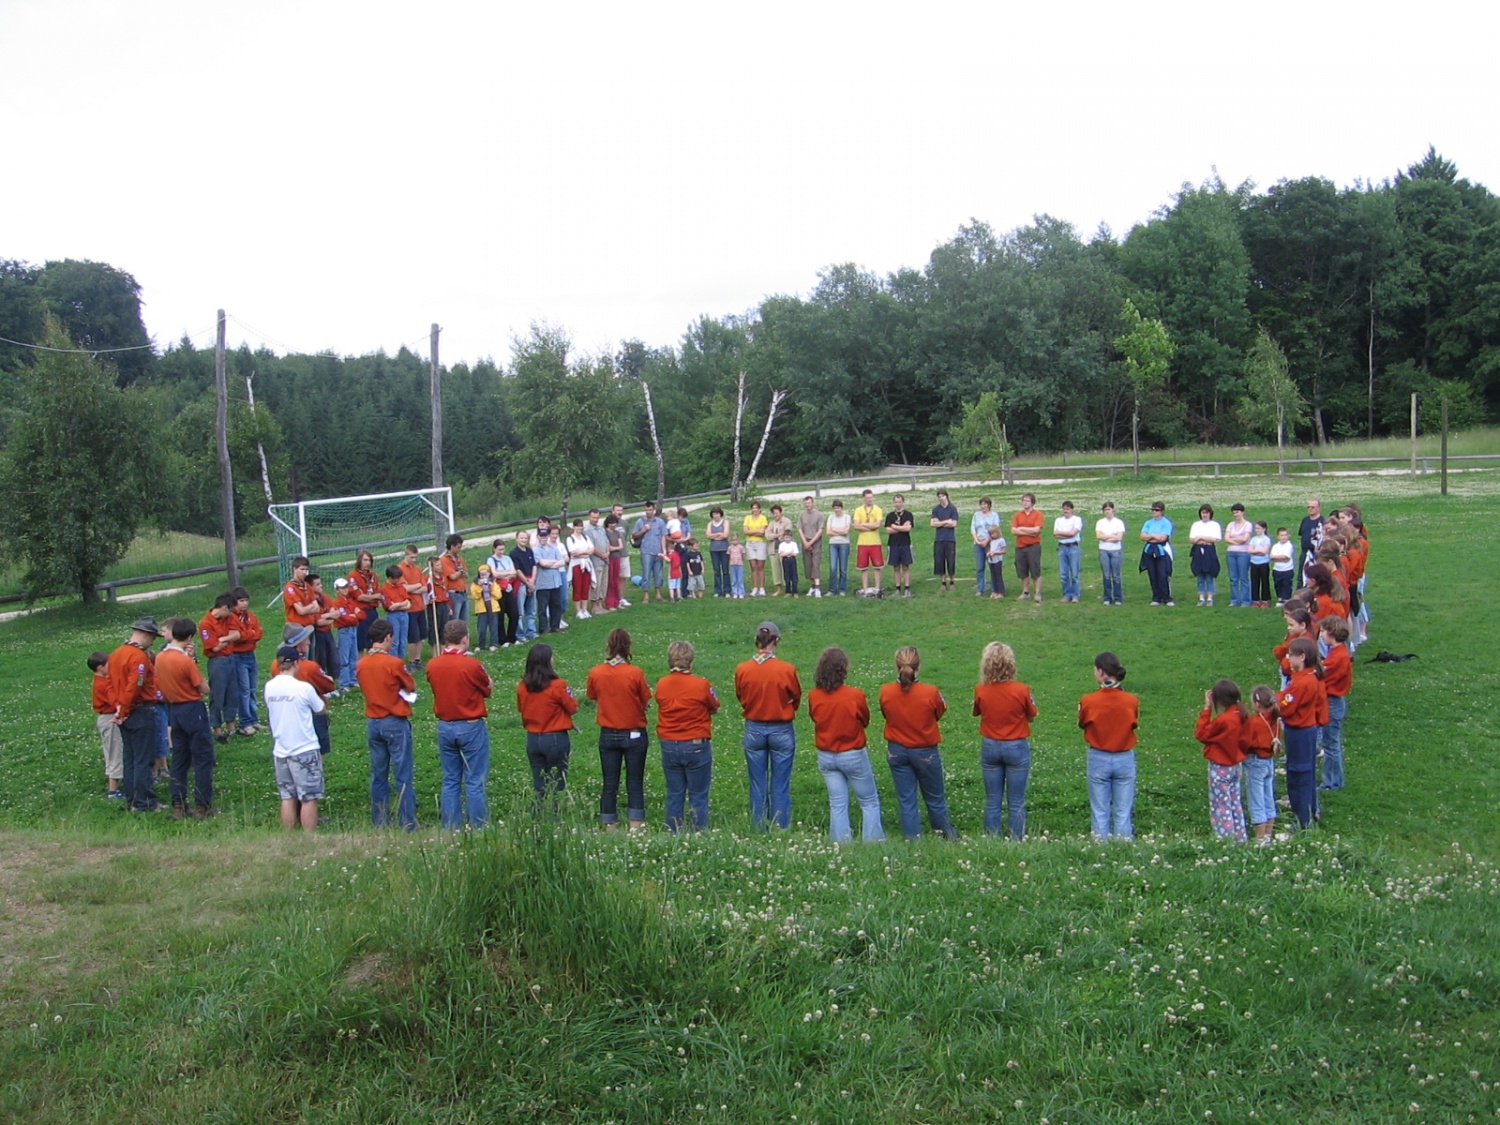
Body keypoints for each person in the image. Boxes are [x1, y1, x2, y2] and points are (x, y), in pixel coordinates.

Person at [808, 646, 883, 843]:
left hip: (826, 754)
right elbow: (864, 720)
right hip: (851, 752)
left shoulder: (814, 695)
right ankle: (873, 842)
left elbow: (815, 717)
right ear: (843, 669)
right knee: (869, 801)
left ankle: (841, 844)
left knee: (837, 803)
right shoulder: (854, 695)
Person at [880, 646, 955, 840]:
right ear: (918, 666)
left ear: (897, 667)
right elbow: (938, 712)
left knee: (907, 800)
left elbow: (886, 714)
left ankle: (913, 840)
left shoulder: (886, 691)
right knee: (935, 799)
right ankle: (946, 837)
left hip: (897, 750)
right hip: (925, 751)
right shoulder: (930, 692)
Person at [734, 621, 802, 829]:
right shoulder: (786, 669)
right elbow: (796, 695)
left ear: (757, 641)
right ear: (776, 641)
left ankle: (758, 826)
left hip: (754, 727)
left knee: (757, 782)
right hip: (781, 728)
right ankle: (780, 827)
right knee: (780, 784)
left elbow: (740, 695)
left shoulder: (743, 669)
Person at [426, 619, 492, 830]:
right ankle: (478, 826)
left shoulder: (433, 664)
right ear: (465, 638)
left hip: (445, 725)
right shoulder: (471, 664)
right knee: (474, 779)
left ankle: (450, 825)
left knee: (451, 778)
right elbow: (486, 688)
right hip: (470, 724)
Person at [586, 628, 653, 830]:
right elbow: (644, 698)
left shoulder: (596, 672)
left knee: (609, 782)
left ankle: (609, 825)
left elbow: (592, 696)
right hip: (633, 732)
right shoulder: (635, 672)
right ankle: (635, 824)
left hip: (608, 732)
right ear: (628, 647)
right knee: (634, 781)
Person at [356, 618, 418, 830]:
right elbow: (410, 685)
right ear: (388, 637)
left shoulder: (361, 663)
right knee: (403, 773)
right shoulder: (394, 663)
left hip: (373, 720)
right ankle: (407, 821)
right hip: (394, 720)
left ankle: (380, 820)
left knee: (378, 774)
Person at [973, 641, 1037, 840]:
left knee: (993, 800)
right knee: (1016, 800)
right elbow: (1032, 715)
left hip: (991, 744)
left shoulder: (981, 690)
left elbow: (979, 711)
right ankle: (1017, 840)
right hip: (1016, 744)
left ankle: (992, 839)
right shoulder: (1022, 690)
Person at [655, 640, 719, 832]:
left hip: (669, 743)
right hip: (695, 743)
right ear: (691, 660)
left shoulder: (662, 684)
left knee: (675, 792)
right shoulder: (701, 684)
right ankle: (698, 831)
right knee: (698, 794)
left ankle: (673, 832)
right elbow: (714, 706)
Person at [157, 617, 215, 819]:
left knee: (180, 759)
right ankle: (203, 805)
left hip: (173, 709)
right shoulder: (184, 661)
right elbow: (203, 688)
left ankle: (178, 804)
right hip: (192, 708)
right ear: (189, 637)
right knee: (202, 758)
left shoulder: (160, 657)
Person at [264, 645, 327, 832]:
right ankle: (309, 837)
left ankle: (289, 835)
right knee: (309, 797)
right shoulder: (303, 688)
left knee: (287, 795)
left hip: (281, 748)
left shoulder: (269, 687)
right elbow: (320, 709)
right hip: (304, 747)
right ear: (297, 663)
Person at [1078, 651, 1138, 840]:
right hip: (1124, 757)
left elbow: (1082, 722)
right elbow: (1133, 723)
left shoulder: (1088, 700)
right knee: (1123, 811)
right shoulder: (1131, 700)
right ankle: (1123, 848)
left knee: (1100, 810)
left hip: (1099, 757)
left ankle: (1100, 849)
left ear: (1101, 672)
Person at [108, 617, 164, 813]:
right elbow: (135, 686)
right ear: (147, 635)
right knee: (143, 759)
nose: (153, 643)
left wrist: (118, 708)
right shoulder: (139, 657)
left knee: (130, 758)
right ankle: (144, 803)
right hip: (139, 710)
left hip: (123, 711)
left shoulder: (116, 654)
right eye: (153, 639)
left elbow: (111, 683)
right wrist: (124, 709)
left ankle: (132, 799)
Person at [516, 643, 578, 811]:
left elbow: (521, 708)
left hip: (533, 738)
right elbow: (573, 707)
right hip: (555, 737)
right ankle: (556, 817)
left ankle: (539, 817)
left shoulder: (523, 686)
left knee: (539, 784)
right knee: (558, 782)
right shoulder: (558, 685)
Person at [1279, 637, 1327, 829]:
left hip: (1299, 732)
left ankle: (1302, 822)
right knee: (1308, 772)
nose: (1288, 658)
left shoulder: (1302, 683)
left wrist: (1276, 699)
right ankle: (1312, 810)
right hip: (1307, 730)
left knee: (1299, 774)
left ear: (1302, 657)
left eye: (1291, 655)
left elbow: (1285, 707)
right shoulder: (1310, 676)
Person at [1194, 679, 1248, 843]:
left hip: (1220, 767)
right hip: (1236, 766)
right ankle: (1240, 838)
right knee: (1234, 803)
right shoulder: (1242, 715)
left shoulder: (1224, 720)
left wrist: (1207, 709)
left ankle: (1225, 840)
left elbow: (1201, 734)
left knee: (1221, 806)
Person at [198, 592, 241, 742]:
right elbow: (214, 647)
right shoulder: (206, 623)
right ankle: (217, 728)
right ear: (223, 607)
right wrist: (227, 639)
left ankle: (231, 726)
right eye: (229, 610)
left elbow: (237, 634)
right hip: (217, 661)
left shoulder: (229, 618)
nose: (231, 614)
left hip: (230, 658)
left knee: (232, 693)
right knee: (217, 695)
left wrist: (223, 639)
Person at [1318, 615, 1353, 792]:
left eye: (1323, 631)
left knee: (1330, 744)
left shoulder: (1336, 658)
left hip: (1332, 702)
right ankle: (1335, 780)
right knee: (1332, 743)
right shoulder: (1339, 652)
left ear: (1331, 633)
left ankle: (1332, 783)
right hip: (1335, 702)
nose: (1321, 635)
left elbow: (1324, 676)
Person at [1243, 685, 1282, 843]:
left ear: (1257, 704)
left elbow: (1247, 743)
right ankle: (1268, 835)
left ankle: (1260, 839)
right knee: (1268, 798)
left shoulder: (1255, 722)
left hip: (1256, 762)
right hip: (1269, 762)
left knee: (1257, 800)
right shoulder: (1276, 719)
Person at [86, 651, 125, 799]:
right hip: (110, 718)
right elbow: (114, 701)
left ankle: (114, 785)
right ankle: (113, 790)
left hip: (107, 718)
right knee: (114, 751)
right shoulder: (102, 684)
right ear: (100, 667)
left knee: (112, 750)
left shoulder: (100, 679)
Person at [229, 587, 265, 736]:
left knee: (252, 688)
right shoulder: (232, 618)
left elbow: (259, 632)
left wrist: (249, 634)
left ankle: (254, 718)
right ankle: (245, 722)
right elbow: (237, 637)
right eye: (241, 601)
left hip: (250, 654)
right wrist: (250, 634)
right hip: (238, 656)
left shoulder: (250, 616)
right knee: (243, 690)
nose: (244, 604)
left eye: (246, 600)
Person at [330, 577, 366, 690]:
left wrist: (354, 616)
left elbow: (362, 615)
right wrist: (354, 615)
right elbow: (344, 619)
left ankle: (352, 679)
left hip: (353, 629)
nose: (345, 590)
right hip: (344, 630)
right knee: (344, 657)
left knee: (353, 656)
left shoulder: (350, 601)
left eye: (346, 587)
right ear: (337, 590)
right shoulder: (337, 603)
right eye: (342, 588)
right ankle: (344, 683)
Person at [397, 545, 429, 667]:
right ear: (406, 555)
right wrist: (416, 586)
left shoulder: (418, 569)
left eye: (416, 557)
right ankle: (411, 661)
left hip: (420, 606)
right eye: (412, 557)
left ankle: (417, 659)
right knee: (413, 636)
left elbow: (425, 587)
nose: (414, 560)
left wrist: (413, 587)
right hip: (410, 608)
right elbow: (404, 588)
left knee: (420, 635)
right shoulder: (400, 569)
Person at [347, 549, 384, 655]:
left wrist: (371, 597)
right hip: (361, 612)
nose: (368, 563)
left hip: (372, 611)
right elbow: (359, 597)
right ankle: (359, 665)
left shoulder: (373, 576)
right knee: (361, 642)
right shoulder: (353, 576)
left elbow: (379, 594)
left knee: (372, 640)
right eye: (365, 560)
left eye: (369, 560)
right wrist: (373, 597)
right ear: (359, 561)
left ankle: (371, 664)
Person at [533, 526, 569, 634]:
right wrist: (554, 562)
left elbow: (562, 561)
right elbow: (542, 564)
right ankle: (543, 628)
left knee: (556, 605)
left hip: (555, 582)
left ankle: (555, 626)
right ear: (538, 537)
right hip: (543, 583)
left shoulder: (554, 548)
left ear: (547, 536)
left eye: (545, 536)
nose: (543, 538)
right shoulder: (535, 550)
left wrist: (550, 563)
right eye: (541, 536)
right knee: (542, 608)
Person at [1139, 502, 1175, 606]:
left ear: (1162, 511)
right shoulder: (1148, 523)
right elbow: (1142, 536)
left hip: (1162, 551)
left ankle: (1167, 597)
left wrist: (1150, 536)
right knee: (1152, 574)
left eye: (1157, 510)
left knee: (1163, 574)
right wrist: (1155, 536)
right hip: (1149, 550)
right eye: (1153, 510)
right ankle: (1156, 597)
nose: (1154, 512)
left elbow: (1163, 538)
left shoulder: (1166, 523)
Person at [1011, 493, 1044, 603]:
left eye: (1027, 501)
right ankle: (1025, 592)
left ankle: (1037, 592)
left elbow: (1036, 530)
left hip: (1033, 546)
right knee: (1022, 570)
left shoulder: (1038, 515)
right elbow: (1013, 530)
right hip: (1020, 546)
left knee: (1035, 569)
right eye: (1023, 500)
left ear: (1032, 503)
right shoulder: (1017, 515)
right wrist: (1029, 531)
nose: (1025, 502)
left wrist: (1021, 529)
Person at [632, 501, 668, 603]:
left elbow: (663, 536)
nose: (648, 512)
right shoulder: (640, 522)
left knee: (659, 573)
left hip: (658, 551)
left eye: (650, 510)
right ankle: (646, 595)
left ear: (654, 509)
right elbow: (634, 536)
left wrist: (664, 549)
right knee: (646, 573)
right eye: (646, 510)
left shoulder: (660, 522)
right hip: (646, 551)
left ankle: (658, 593)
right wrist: (643, 530)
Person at [1188, 504, 1223, 607]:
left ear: (1210, 514)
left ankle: (1210, 598)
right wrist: (1202, 539)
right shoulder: (1196, 525)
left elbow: (1214, 539)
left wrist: (1201, 537)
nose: (1205, 515)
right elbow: (1192, 539)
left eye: (1207, 513)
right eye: (1203, 513)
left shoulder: (1215, 525)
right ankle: (1201, 597)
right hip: (1198, 550)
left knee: (1209, 574)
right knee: (1200, 574)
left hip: (1209, 550)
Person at [852, 489, 885, 597]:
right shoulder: (858, 510)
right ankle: (865, 588)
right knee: (863, 567)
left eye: (871, 497)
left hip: (875, 542)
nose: (870, 500)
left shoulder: (878, 509)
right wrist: (870, 526)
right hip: (862, 543)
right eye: (868, 498)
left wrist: (864, 525)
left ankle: (877, 587)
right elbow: (856, 526)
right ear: (864, 498)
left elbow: (877, 525)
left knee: (877, 566)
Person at [884, 494, 915, 598]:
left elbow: (908, 529)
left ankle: (907, 588)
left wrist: (895, 526)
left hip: (905, 543)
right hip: (893, 544)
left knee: (905, 566)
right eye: (896, 502)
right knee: (896, 567)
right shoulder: (890, 516)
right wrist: (901, 527)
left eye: (899, 502)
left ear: (903, 502)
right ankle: (897, 589)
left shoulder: (908, 515)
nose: (897, 504)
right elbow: (888, 530)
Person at [378, 564, 413, 657]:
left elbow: (408, 602)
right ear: (390, 578)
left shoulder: (401, 587)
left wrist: (398, 604)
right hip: (393, 616)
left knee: (403, 641)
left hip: (404, 615)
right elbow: (390, 607)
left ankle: (401, 662)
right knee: (395, 641)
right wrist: (404, 604)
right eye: (396, 578)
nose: (398, 580)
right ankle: (394, 661)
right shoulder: (384, 590)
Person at [1095, 501, 1126, 605]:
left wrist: (1106, 537)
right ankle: (1107, 597)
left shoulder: (1118, 522)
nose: (1107, 512)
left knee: (1116, 575)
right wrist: (1112, 536)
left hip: (1115, 551)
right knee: (1106, 575)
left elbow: (1119, 537)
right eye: (1105, 510)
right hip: (1103, 550)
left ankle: (1118, 598)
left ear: (1113, 510)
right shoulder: (1100, 522)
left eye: (1109, 509)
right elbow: (1099, 536)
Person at [510, 530, 539, 641]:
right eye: (521, 538)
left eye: (525, 538)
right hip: (521, 583)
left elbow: (534, 566)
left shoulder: (529, 551)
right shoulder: (514, 553)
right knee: (520, 611)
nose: (524, 540)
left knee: (531, 610)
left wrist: (532, 580)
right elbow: (517, 570)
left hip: (531, 581)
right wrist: (527, 582)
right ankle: (520, 634)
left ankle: (531, 631)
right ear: (517, 539)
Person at [929, 489, 959, 594]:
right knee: (939, 561)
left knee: (951, 561)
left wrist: (940, 523)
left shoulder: (952, 508)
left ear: (946, 496)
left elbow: (954, 523)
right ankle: (942, 582)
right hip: (939, 539)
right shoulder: (936, 509)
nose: (941, 498)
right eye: (939, 496)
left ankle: (952, 582)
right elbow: (933, 524)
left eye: (942, 496)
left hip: (950, 539)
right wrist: (946, 521)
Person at [1053, 500, 1083, 603]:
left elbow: (1073, 533)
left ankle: (1075, 595)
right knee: (1064, 574)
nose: (1066, 511)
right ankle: (1066, 594)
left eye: (1068, 509)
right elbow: (1055, 534)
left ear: (1072, 510)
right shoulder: (1058, 520)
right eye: (1064, 509)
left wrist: (1063, 534)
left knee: (1074, 573)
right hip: (1062, 547)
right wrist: (1067, 533)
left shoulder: (1077, 519)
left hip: (1073, 547)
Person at [1224, 504, 1253, 607]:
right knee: (1233, 578)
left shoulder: (1247, 525)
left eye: (1237, 512)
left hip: (1243, 553)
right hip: (1231, 553)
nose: (1236, 514)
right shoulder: (1231, 524)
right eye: (1234, 512)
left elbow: (1245, 539)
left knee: (1243, 577)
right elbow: (1226, 538)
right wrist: (1237, 540)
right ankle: (1234, 600)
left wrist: (1232, 539)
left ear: (1242, 512)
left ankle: (1245, 601)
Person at [567, 518, 596, 620]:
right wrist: (585, 552)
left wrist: (582, 552)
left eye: (581, 526)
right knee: (577, 587)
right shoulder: (570, 539)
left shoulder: (585, 537)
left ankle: (584, 609)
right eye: (577, 526)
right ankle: (578, 610)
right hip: (576, 564)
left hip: (586, 564)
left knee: (585, 587)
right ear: (574, 527)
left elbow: (592, 549)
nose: (579, 528)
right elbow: (573, 552)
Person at [970, 497, 1000, 596]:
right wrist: (977, 540)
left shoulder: (994, 515)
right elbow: (973, 529)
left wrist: (987, 540)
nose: (983, 506)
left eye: (985, 504)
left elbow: (996, 529)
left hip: (990, 544)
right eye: (981, 504)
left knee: (992, 566)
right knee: (980, 567)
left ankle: (994, 589)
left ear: (989, 505)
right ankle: (980, 589)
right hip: (978, 544)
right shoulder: (976, 515)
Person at [585, 509, 611, 617]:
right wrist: (602, 555)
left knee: (604, 583)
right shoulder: (587, 531)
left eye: (597, 518)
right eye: (593, 517)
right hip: (596, 561)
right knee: (597, 583)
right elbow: (592, 546)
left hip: (605, 560)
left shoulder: (601, 529)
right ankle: (595, 606)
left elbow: (606, 541)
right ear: (589, 517)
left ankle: (601, 604)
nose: (595, 520)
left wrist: (608, 552)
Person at [798, 495, 826, 597]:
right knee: (808, 565)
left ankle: (818, 588)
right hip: (805, 541)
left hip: (816, 542)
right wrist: (805, 542)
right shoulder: (802, 515)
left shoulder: (819, 515)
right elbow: (800, 529)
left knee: (816, 564)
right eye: (805, 503)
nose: (807, 505)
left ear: (812, 503)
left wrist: (811, 542)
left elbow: (820, 530)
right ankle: (812, 586)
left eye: (809, 503)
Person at [741, 500, 770, 597]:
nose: (755, 510)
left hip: (760, 543)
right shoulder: (748, 518)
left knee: (760, 566)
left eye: (756, 508)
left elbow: (762, 532)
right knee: (753, 567)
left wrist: (752, 531)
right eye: (753, 508)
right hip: (750, 543)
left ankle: (761, 587)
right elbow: (745, 531)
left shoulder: (763, 518)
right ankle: (755, 587)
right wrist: (756, 531)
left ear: (759, 509)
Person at [440, 534, 470, 622]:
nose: (460, 549)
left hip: (463, 592)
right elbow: (452, 576)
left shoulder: (459, 558)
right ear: (452, 546)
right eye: (458, 547)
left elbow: (466, 574)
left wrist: (460, 572)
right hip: (454, 594)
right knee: (455, 620)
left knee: (464, 620)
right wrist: (460, 572)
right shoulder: (444, 560)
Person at [470, 564, 500, 650]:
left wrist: (491, 589)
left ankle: (494, 643)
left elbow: (498, 595)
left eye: (485, 574)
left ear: (489, 574)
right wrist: (480, 588)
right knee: (481, 628)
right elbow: (475, 596)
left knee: (494, 627)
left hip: (493, 607)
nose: (484, 577)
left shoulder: (494, 582)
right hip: (481, 609)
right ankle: (481, 645)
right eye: (481, 575)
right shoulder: (475, 584)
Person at [825, 499, 851, 596]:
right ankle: (832, 589)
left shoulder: (847, 517)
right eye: (835, 508)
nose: (837, 510)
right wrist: (840, 530)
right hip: (833, 544)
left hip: (844, 544)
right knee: (833, 567)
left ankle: (842, 589)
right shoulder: (831, 517)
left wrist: (834, 529)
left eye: (838, 508)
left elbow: (846, 532)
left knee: (843, 568)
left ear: (841, 508)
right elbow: (828, 532)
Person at [765, 504, 792, 594]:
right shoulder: (772, 523)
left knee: (785, 569)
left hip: (784, 550)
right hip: (773, 549)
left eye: (776, 513)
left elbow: (786, 534)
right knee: (775, 570)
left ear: (781, 512)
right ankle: (778, 588)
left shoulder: (787, 522)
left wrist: (777, 535)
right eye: (773, 513)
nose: (775, 515)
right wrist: (776, 535)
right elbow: (767, 535)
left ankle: (788, 587)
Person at [604, 514, 629, 609]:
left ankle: (617, 601)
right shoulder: (605, 533)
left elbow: (621, 546)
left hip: (617, 557)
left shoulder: (617, 533)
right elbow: (608, 547)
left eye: (615, 523)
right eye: (611, 523)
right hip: (610, 558)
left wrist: (613, 548)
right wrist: (614, 548)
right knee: (610, 581)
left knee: (616, 580)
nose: (613, 525)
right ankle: (610, 603)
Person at [706, 507, 731, 598]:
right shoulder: (710, 524)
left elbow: (725, 535)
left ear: (720, 514)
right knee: (716, 571)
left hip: (724, 549)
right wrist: (718, 534)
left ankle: (727, 590)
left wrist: (715, 536)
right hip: (714, 549)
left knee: (725, 570)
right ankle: (718, 590)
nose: (715, 515)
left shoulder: (726, 522)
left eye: (717, 513)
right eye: (714, 514)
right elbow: (708, 535)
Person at [1269, 526, 1297, 606]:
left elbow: (1286, 557)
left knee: (1287, 585)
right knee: (1278, 584)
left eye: (1285, 535)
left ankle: (1287, 600)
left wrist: (1277, 557)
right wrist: (1280, 558)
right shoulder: (1275, 546)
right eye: (1282, 535)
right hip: (1277, 569)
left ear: (1288, 536)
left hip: (1287, 569)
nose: (1284, 537)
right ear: (1278, 537)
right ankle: (1280, 599)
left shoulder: (1289, 546)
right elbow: (1271, 557)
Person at [1248, 521, 1273, 608]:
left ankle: (1265, 600)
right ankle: (1255, 599)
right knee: (1254, 581)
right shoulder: (1253, 539)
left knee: (1264, 581)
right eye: (1256, 528)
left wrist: (1256, 551)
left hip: (1263, 563)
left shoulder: (1266, 539)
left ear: (1264, 529)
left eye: (1259, 528)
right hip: (1254, 563)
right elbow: (1250, 550)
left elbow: (1265, 551)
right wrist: (1258, 551)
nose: (1257, 530)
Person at [1298, 498, 1324, 575]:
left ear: (1319, 508)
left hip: (1316, 553)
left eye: (1313, 507)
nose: (1310, 509)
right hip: (1304, 552)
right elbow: (1301, 534)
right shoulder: (1305, 520)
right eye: (1308, 507)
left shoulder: (1322, 522)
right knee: (1301, 574)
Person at [776, 528, 800, 596]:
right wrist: (789, 552)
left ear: (791, 538)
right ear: (783, 538)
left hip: (792, 560)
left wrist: (787, 553)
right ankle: (788, 592)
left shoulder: (794, 544)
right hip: (785, 560)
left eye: (789, 537)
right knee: (787, 576)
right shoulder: (782, 545)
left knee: (794, 576)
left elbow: (795, 553)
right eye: (786, 537)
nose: (787, 539)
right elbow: (781, 554)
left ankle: (795, 592)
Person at [985, 525, 1007, 598]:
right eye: (991, 534)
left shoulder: (1001, 540)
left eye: (993, 533)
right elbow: (991, 549)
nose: (992, 535)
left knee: (998, 576)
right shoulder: (992, 541)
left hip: (998, 560)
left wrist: (996, 553)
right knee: (993, 576)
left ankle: (1001, 592)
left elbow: (1004, 551)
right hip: (991, 560)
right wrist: (989, 553)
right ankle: (995, 591)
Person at [728, 533, 746, 598]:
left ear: (738, 540)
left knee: (740, 579)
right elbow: (729, 555)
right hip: (732, 565)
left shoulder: (741, 547)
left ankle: (741, 592)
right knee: (734, 579)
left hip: (739, 564)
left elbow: (743, 554)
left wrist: (742, 561)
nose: (734, 541)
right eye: (733, 540)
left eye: (736, 540)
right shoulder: (729, 548)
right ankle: (735, 592)